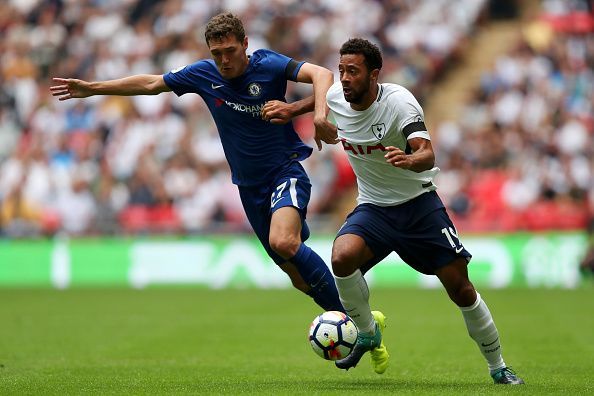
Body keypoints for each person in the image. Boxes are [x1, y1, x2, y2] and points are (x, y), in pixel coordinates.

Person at [264, 38, 524, 384]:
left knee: (461, 289)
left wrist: (409, 160)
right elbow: (323, 99)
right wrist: (292, 110)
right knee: (342, 257)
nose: (344, 78)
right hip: (374, 208)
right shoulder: (339, 96)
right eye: (341, 70)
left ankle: (498, 365)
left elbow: (427, 154)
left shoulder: (399, 103)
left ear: (374, 75)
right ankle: (367, 331)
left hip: (418, 207)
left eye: (352, 71)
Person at [50, 12, 343, 313]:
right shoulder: (204, 74)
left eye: (230, 51)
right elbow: (152, 84)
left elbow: (322, 76)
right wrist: (93, 89)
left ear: (245, 44)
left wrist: (308, 112)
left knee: (284, 242)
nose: (225, 60)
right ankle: (352, 319)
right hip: (249, 186)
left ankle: (351, 320)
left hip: (285, 170)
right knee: (297, 277)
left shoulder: (268, 64)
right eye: (217, 54)